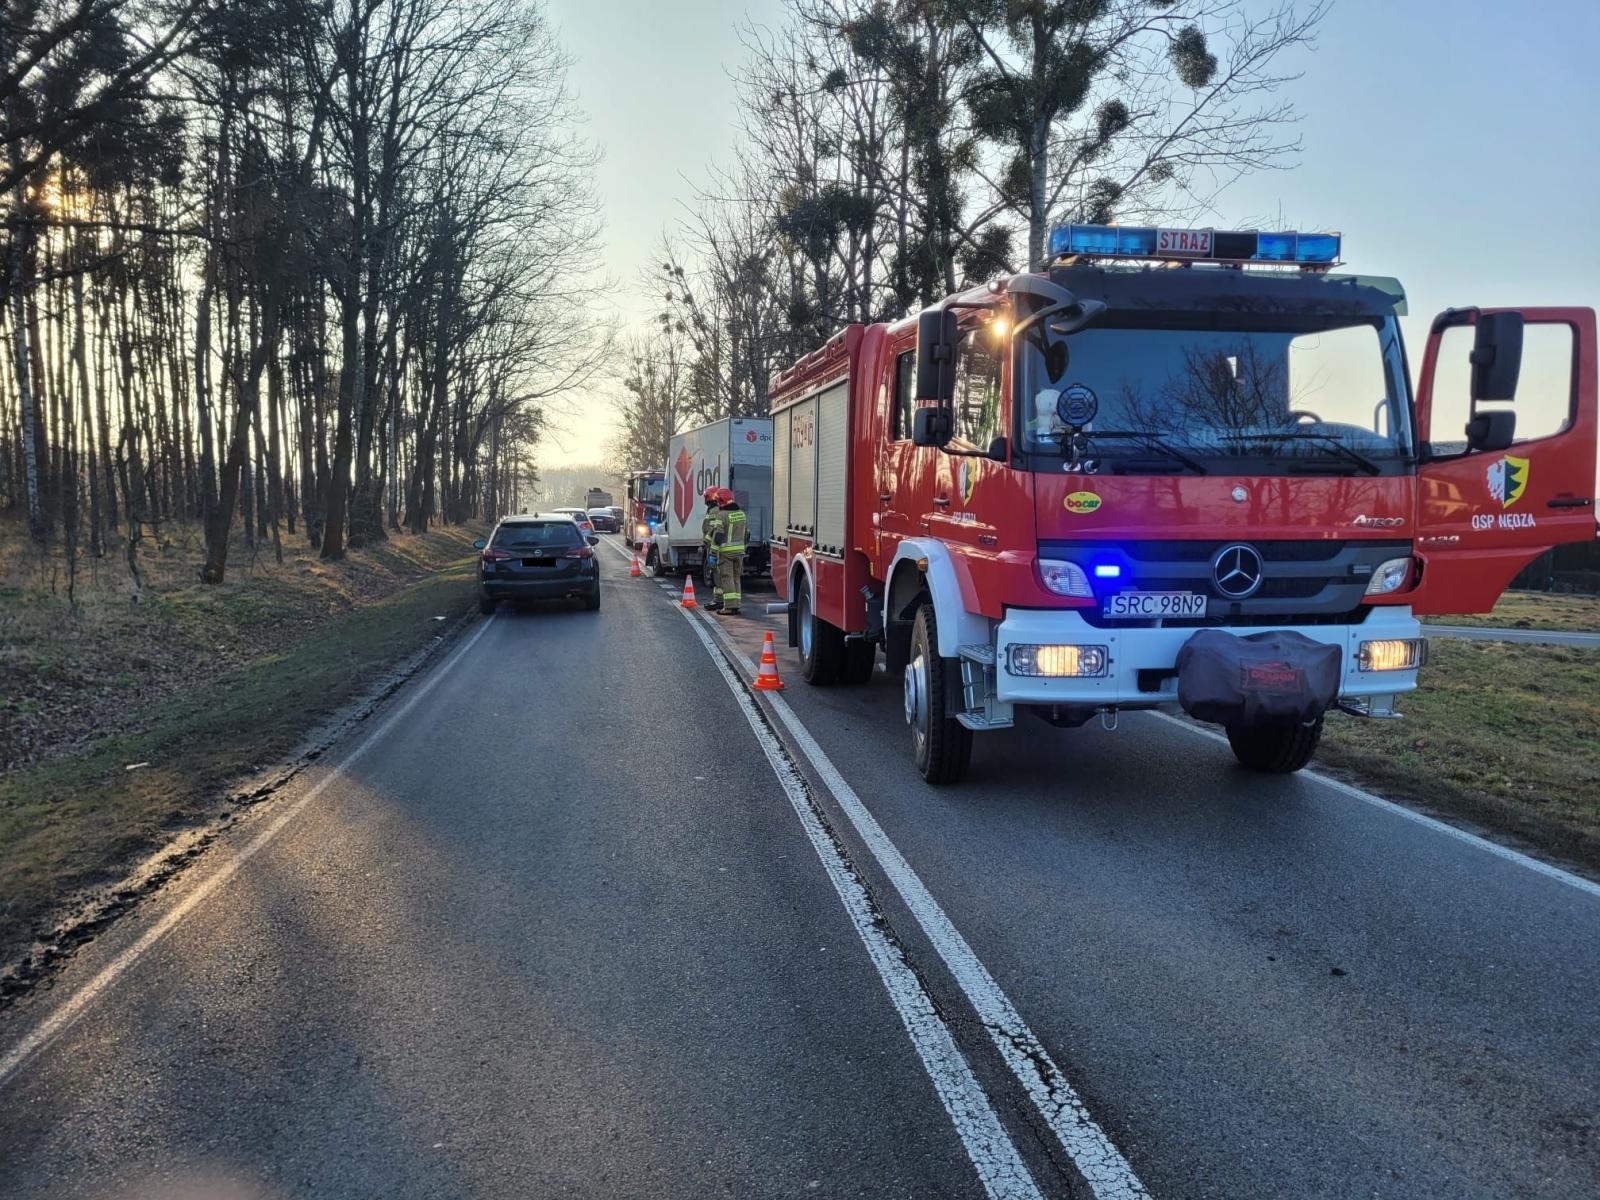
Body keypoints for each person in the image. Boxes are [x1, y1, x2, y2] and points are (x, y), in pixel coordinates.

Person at [711, 486, 746, 616]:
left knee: (727, 578)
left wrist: (713, 553)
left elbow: (718, 537)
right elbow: (746, 534)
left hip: (726, 552)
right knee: (736, 578)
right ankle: (736, 604)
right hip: (740, 552)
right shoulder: (741, 514)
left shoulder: (722, 515)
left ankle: (730, 607)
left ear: (721, 501)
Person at [700, 485, 725, 610]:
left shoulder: (714, 510)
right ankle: (718, 600)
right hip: (713, 546)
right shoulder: (713, 510)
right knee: (716, 574)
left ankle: (719, 601)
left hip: (714, 547)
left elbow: (714, 530)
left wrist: (707, 543)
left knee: (717, 575)